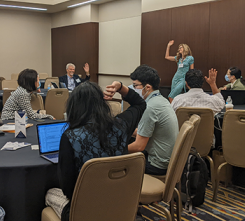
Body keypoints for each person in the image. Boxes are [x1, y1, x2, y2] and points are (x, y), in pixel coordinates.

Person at [45, 80, 146, 221]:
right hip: (121, 204)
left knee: (50, 193)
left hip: (85, 212)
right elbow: (140, 104)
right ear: (102, 103)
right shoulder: (121, 125)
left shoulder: (70, 137)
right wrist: (120, 87)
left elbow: (68, 190)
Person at [128, 65, 179, 175]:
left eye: (135, 85)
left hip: (156, 165)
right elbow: (148, 132)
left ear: (147, 87)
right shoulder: (161, 100)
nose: (133, 89)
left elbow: (139, 146)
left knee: (117, 162)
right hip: (167, 160)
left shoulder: (150, 107)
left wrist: (114, 149)